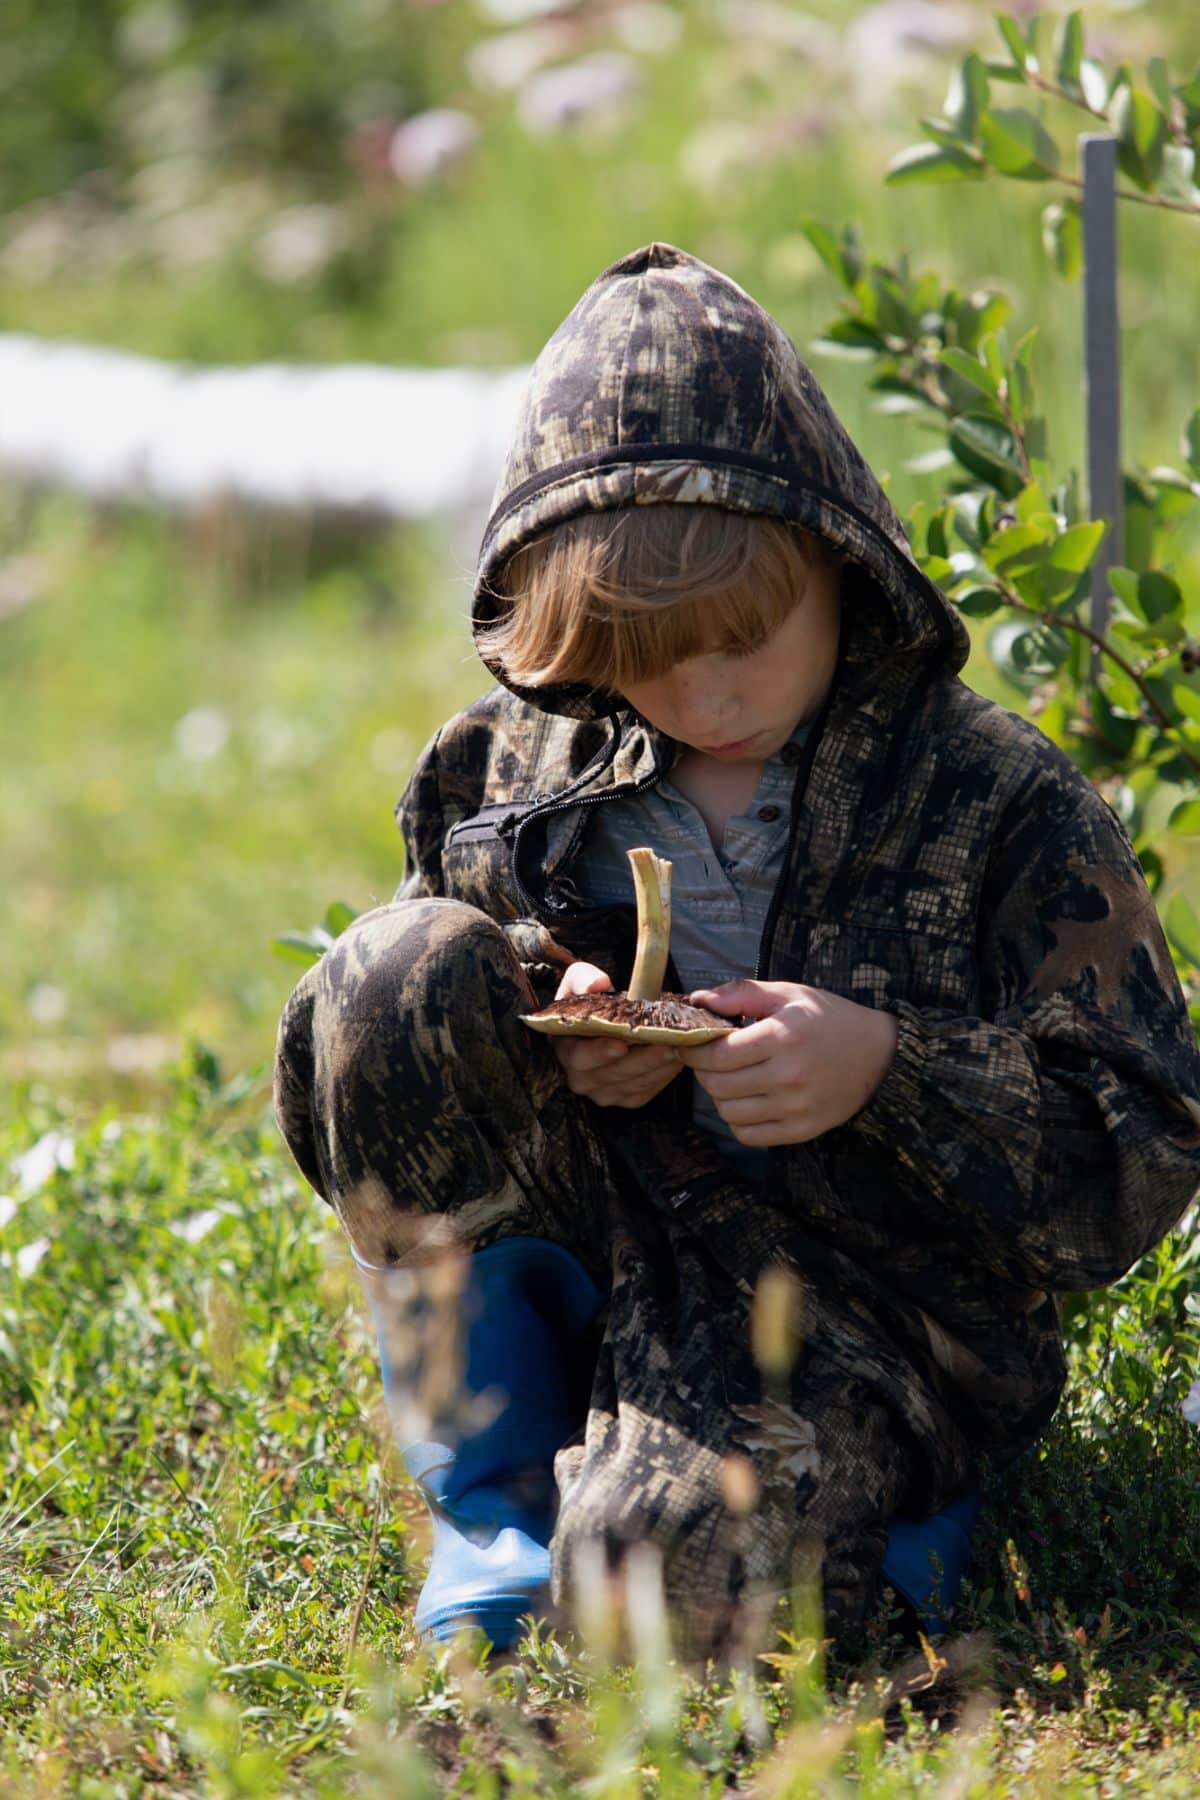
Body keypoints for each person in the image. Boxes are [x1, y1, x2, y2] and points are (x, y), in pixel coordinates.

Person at [272, 241, 1200, 1663]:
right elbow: (396, 1083)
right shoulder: (504, 767)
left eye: (744, 640)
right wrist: (551, 1015)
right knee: (389, 974)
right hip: (603, 1246)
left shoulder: (994, 796)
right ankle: (494, 1503)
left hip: (864, 1304)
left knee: (668, 1586)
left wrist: (887, 1069)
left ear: (841, 563)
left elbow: (1140, 1142)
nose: (704, 694)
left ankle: (900, 1509)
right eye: (645, 653)